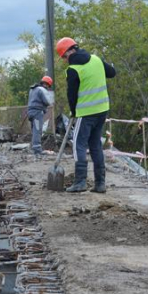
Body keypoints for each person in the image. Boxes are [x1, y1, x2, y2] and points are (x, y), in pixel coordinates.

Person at [57, 37, 115, 193]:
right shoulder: (96, 59)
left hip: (86, 113)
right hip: (102, 110)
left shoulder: (73, 69)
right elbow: (112, 73)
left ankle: (80, 182)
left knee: (78, 145)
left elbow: (72, 95)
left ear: (70, 51)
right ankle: (100, 184)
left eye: (63, 56)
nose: (64, 60)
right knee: (95, 144)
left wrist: (74, 112)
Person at [27, 75, 54, 155]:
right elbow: (48, 102)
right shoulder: (42, 90)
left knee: (34, 130)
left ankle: (34, 147)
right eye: (49, 86)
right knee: (37, 130)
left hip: (30, 112)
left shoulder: (33, 89)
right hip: (37, 113)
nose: (48, 88)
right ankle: (37, 150)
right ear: (47, 84)